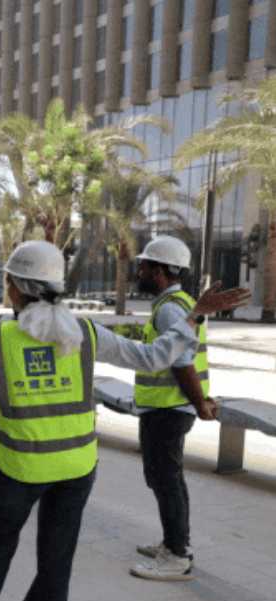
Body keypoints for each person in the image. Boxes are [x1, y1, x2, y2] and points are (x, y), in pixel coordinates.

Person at [0, 240, 249, 601]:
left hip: (21, 466)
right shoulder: (87, 333)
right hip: (77, 467)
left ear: (18, 289)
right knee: (56, 558)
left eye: (8, 281)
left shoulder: (1, 339)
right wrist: (192, 317)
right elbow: (153, 357)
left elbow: (2, 391)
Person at [130, 236, 215, 582]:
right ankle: (175, 542)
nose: (140, 271)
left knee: (165, 480)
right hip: (170, 409)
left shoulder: (168, 309)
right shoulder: (181, 303)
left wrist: (199, 404)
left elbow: (182, 364)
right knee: (167, 479)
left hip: (169, 409)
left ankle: (176, 555)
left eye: (145, 267)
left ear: (161, 271)